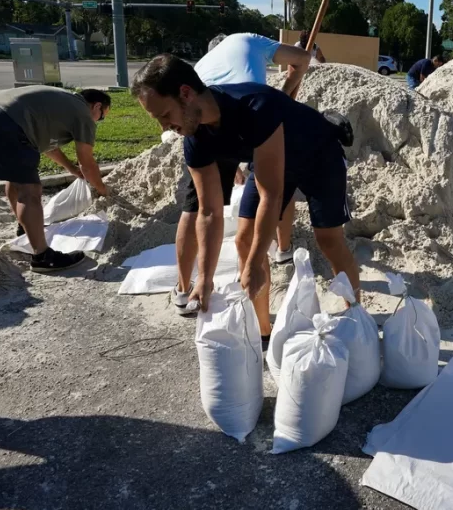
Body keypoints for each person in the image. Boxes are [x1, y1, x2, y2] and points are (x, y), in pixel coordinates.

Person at [131, 54, 359, 349]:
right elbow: (209, 212)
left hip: (320, 155)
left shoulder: (254, 106)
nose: (164, 127)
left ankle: (356, 314)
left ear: (185, 93)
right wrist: (205, 279)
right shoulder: (194, 137)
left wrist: (253, 265)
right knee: (244, 241)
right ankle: (262, 332)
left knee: (328, 239)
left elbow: (270, 194)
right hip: (274, 159)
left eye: (164, 115)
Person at [167, 33, 314, 316]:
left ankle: (185, 290)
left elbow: (212, 116)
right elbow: (302, 59)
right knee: (274, 187)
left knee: (197, 206)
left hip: (203, 122)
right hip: (250, 116)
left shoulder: (199, 68)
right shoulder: (249, 40)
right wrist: (280, 97)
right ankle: (283, 249)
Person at [0, 86, 111, 272]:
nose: (98, 121)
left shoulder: (61, 103)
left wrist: (72, 170)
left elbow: (49, 147)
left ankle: (24, 227)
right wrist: (102, 190)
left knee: (15, 176)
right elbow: (88, 163)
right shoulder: (83, 113)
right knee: (31, 191)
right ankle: (43, 257)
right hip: (5, 122)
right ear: (96, 106)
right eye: (102, 116)